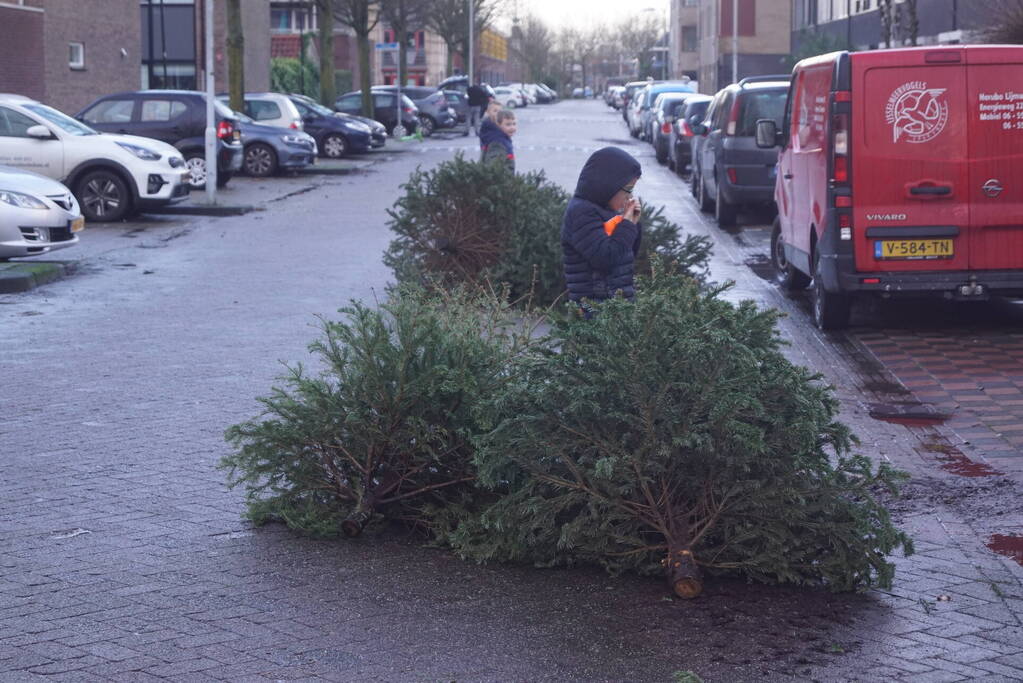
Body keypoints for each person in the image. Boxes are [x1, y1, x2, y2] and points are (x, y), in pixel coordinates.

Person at [561, 147, 642, 315]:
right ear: (608, 185)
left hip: (615, 308)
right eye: (627, 190)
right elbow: (605, 258)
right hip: (592, 309)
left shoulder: (608, 210)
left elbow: (627, 255)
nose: (629, 197)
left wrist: (633, 224)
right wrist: (626, 225)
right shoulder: (581, 212)